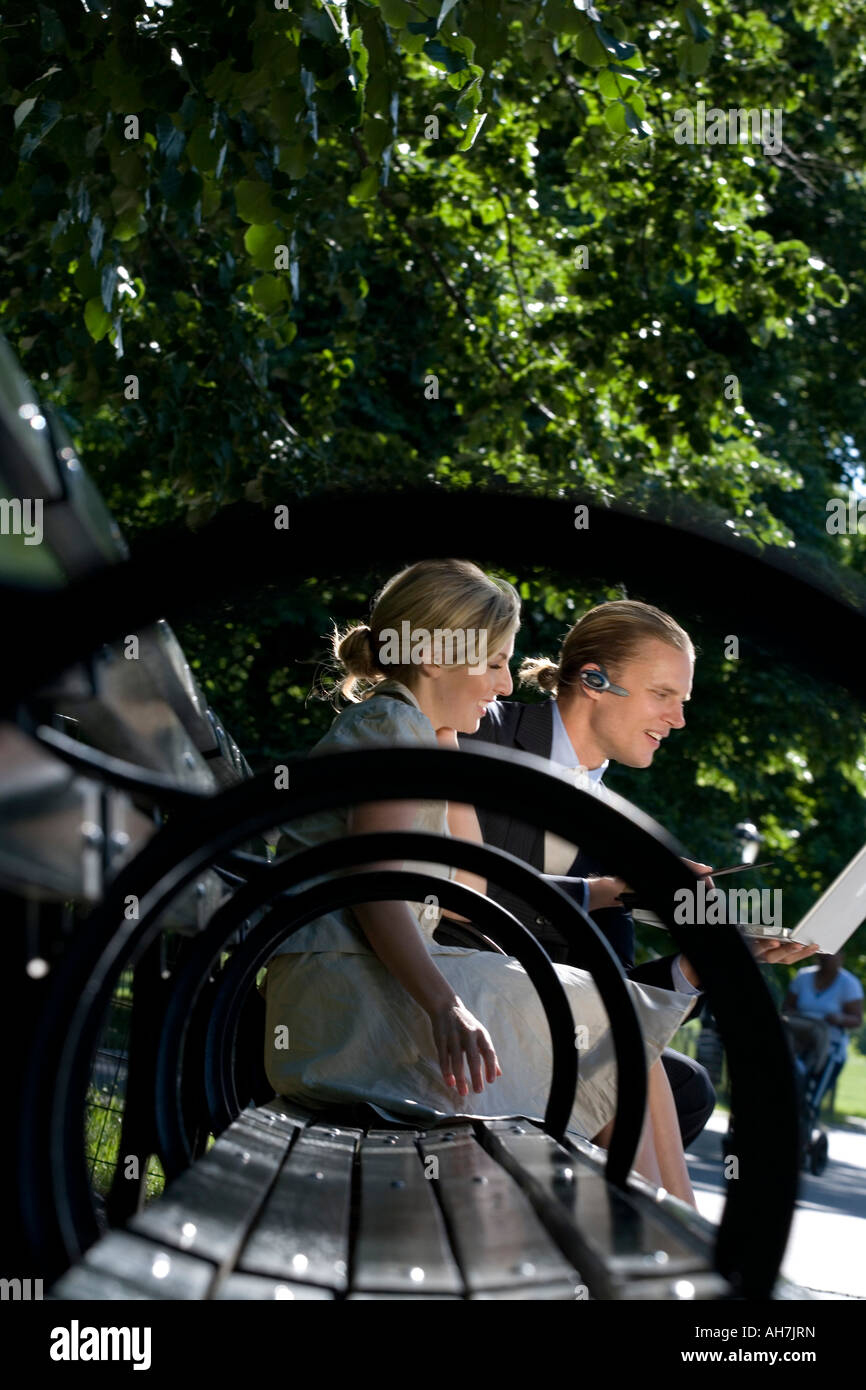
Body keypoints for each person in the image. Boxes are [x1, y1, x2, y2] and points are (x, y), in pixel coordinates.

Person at [262, 560, 700, 1203]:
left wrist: (445, 739)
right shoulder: (389, 729)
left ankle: (678, 1240)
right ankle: (672, 1256)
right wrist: (447, 1004)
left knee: (627, 1036)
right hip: (344, 1005)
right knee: (620, 1032)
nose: (505, 682)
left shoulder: (417, 730)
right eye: (495, 661)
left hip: (363, 987)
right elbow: (377, 886)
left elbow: (471, 878)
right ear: (436, 656)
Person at [451, 598, 816, 1149]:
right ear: (594, 680)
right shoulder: (480, 735)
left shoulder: (617, 828)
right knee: (654, 1081)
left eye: (682, 700)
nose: (679, 719)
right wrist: (603, 893)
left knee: (687, 1084)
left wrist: (703, 959)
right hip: (457, 1008)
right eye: (663, 695)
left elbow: (616, 988)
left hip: (543, 1023)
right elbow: (446, 884)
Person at [783, 949, 864, 1094]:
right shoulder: (803, 976)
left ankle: (813, 1070)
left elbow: (857, 1019)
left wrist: (839, 1018)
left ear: (841, 957)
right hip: (798, 1031)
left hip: (828, 1038)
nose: (827, 958)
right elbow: (788, 1006)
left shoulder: (849, 984)